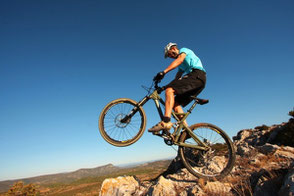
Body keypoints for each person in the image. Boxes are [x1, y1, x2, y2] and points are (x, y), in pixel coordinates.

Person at [148, 42, 206, 132]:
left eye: (169, 54)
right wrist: (163, 88)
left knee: (170, 90)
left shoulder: (183, 51)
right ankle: (186, 130)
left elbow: (179, 60)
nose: (170, 57)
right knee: (175, 104)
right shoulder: (181, 67)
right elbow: (176, 80)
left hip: (197, 75)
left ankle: (166, 121)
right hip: (197, 80)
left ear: (174, 49)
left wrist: (164, 72)